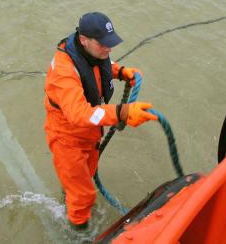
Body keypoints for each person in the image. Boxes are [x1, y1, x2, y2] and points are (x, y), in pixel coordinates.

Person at [43, 12, 157, 230]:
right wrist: (122, 112)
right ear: (84, 40)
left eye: (110, 43)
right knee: (83, 196)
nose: (109, 49)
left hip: (90, 136)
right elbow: (79, 113)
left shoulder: (91, 52)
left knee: (85, 177)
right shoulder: (64, 73)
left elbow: (102, 64)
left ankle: (69, 194)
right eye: (103, 44)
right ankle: (78, 231)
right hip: (68, 140)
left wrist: (121, 71)